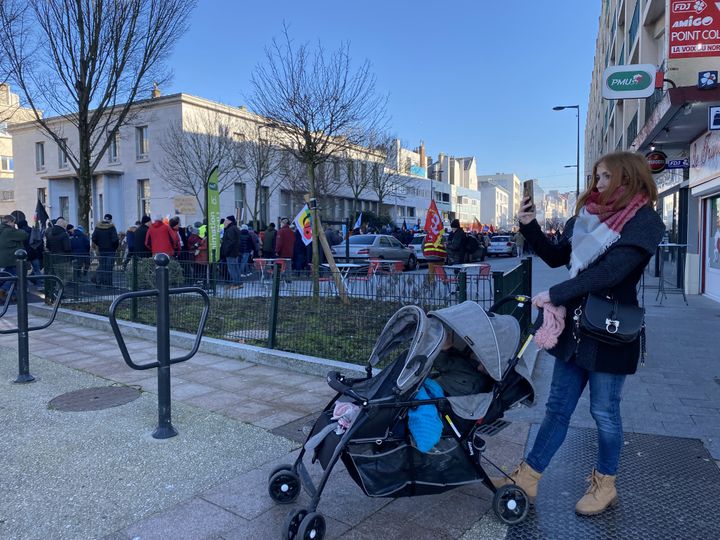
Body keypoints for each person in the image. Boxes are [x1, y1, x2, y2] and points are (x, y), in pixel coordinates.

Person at [494, 151, 665, 516]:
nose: (598, 184)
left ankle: (605, 484)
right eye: (596, 177)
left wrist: (555, 294)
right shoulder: (585, 219)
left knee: (604, 411)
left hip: (611, 329)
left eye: (606, 177)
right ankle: (528, 476)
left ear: (628, 178)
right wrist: (529, 226)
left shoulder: (645, 222)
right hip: (575, 330)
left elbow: (611, 273)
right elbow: (557, 257)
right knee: (557, 408)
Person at [0, 215, 28, 300]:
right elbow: (24, 235)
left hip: (5, 258)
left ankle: (13, 295)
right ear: (9, 222)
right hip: (12, 258)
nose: (14, 224)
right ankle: (3, 290)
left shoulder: (2, 230)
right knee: (16, 276)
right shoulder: (9, 231)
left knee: (9, 276)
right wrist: (16, 229)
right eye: (13, 222)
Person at [91, 213, 119, 287]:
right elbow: (115, 240)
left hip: (101, 250)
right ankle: (108, 284)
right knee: (109, 268)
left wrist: (99, 244)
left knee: (102, 266)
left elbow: (93, 238)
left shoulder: (98, 227)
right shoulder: (111, 227)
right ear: (110, 220)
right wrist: (114, 247)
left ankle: (98, 282)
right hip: (110, 251)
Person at [220, 215, 242, 289]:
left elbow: (230, 242)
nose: (224, 222)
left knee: (232, 268)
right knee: (236, 268)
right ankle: (239, 283)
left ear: (230, 221)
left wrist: (225, 251)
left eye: (226, 220)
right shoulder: (235, 228)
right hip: (235, 252)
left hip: (230, 252)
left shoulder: (230, 230)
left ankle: (236, 284)